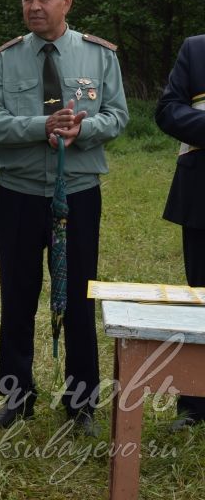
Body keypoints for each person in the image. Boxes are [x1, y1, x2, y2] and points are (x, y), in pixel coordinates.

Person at [0, 0, 129, 434]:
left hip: (78, 194)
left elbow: (118, 117)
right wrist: (39, 125)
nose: (35, 6)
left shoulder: (99, 55)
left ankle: (81, 404)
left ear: (67, 0)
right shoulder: (5, 58)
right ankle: (15, 398)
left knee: (79, 297)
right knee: (17, 296)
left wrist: (80, 130)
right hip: (19, 195)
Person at [155, 34, 205, 431]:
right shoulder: (195, 48)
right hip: (201, 196)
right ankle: (194, 406)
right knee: (201, 299)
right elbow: (168, 110)